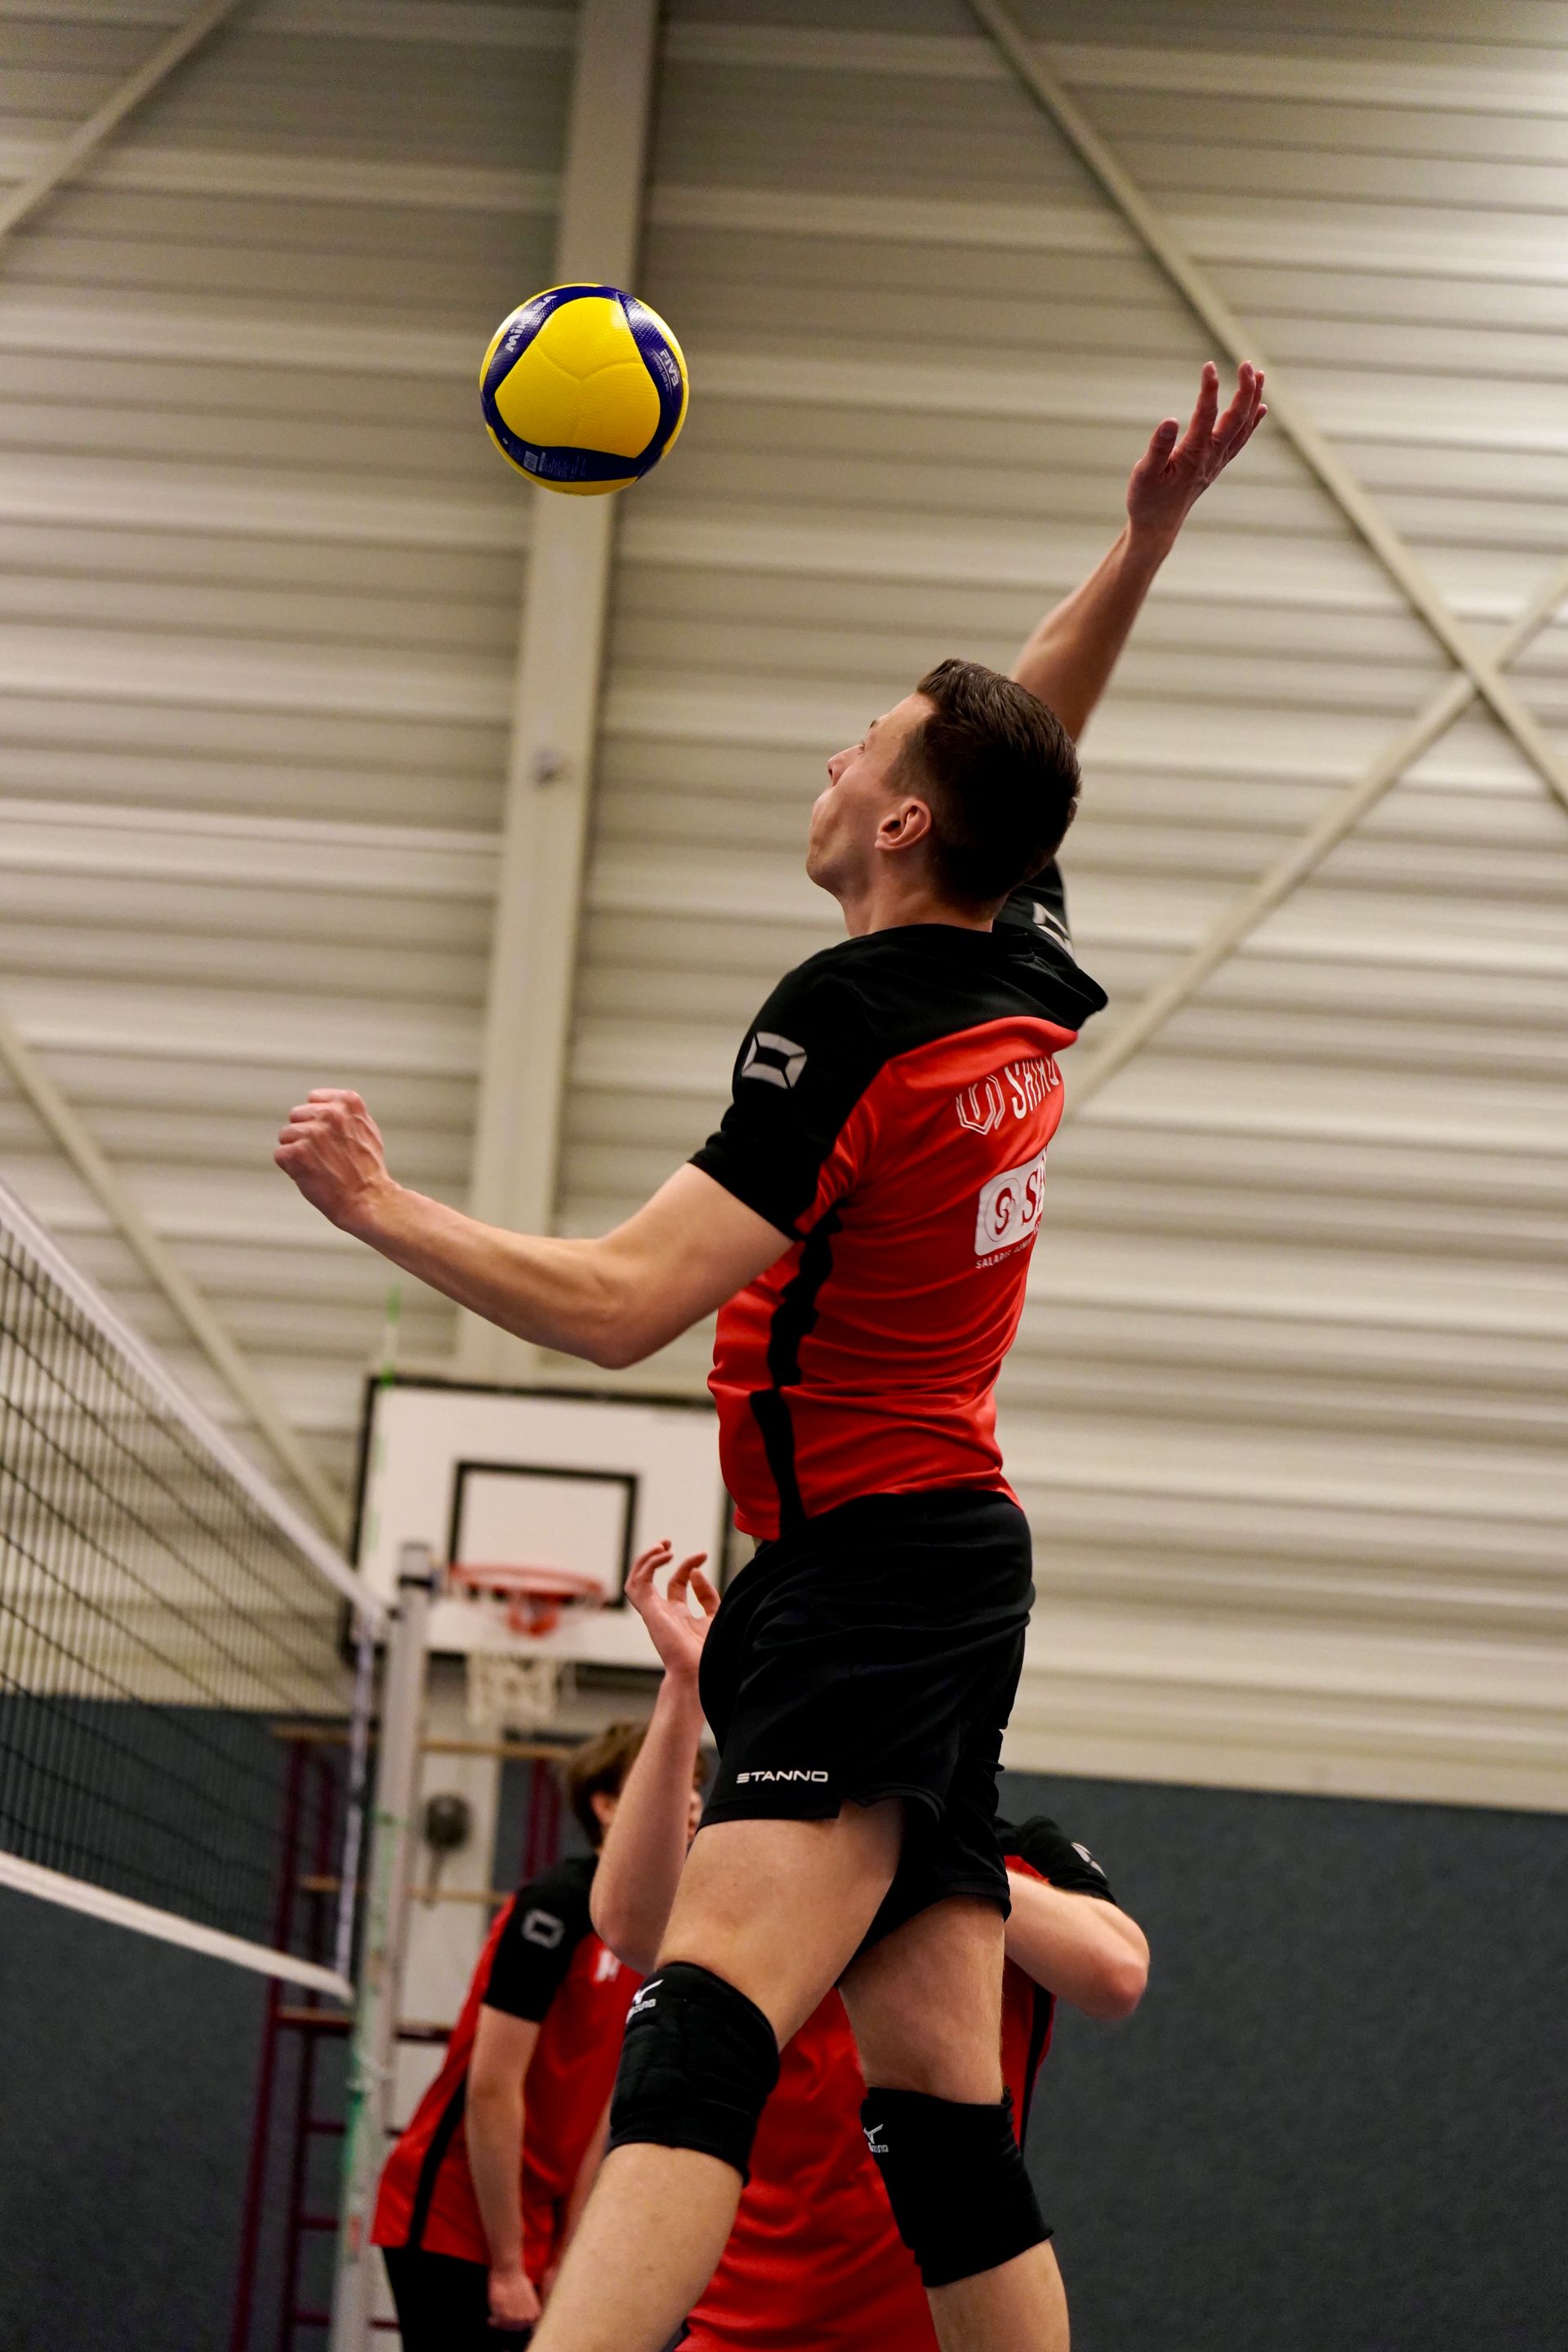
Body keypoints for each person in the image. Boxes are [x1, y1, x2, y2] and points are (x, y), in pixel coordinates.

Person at [277, 361, 1264, 2352]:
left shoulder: (857, 1015)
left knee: (701, 2015)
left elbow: (620, 1302)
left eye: (859, 745)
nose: (830, 756)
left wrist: (383, 1208)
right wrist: (1142, 541)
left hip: (865, 1565)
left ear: (896, 823)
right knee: (940, 2112)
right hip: (946, 1551)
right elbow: (1030, 743)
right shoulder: (1005, 958)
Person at [593, 1541, 1148, 2352]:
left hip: (930, 2320)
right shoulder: (786, 1855)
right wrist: (685, 1685)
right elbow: (630, 1923)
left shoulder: (1017, 1854)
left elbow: (1118, 1973)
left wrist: (941, 1859)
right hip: (745, 2326)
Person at [372, 1722, 699, 2345]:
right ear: (607, 1807)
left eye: (694, 1785)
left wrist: (567, 2248)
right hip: (456, 2210)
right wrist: (506, 2262)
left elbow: (599, 2105)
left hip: (537, 2220)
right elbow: (492, 2089)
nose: (689, 1799)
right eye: (669, 1780)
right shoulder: (557, 1906)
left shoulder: (654, 1934)